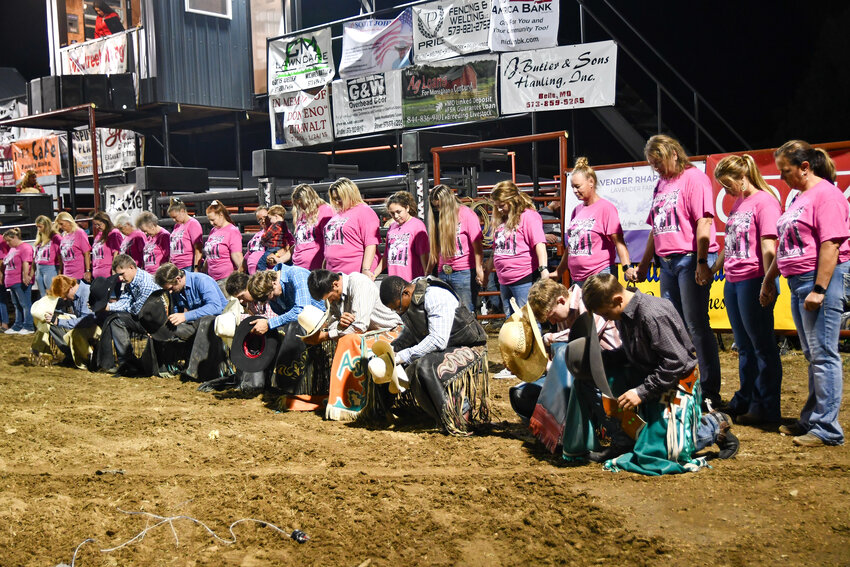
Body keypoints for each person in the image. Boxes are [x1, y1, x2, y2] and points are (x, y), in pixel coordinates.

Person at [582, 274, 738, 475]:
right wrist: (602, 359)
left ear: (618, 300)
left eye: (605, 313)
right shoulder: (623, 314)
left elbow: (676, 362)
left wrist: (641, 392)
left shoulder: (652, 314)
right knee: (607, 375)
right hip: (652, 379)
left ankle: (714, 426)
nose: (605, 318)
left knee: (663, 452)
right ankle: (624, 442)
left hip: (678, 382)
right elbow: (633, 352)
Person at [762, 140, 850, 447]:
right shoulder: (798, 197)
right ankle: (812, 419)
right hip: (798, 280)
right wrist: (768, 280)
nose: (782, 177)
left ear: (804, 167)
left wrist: (820, 289)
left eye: (785, 171)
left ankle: (827, 429)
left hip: (818, 280)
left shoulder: (826, 195)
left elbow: (831, 244)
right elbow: (786, 247)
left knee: (824, 355)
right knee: (814, 355)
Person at [632, 135, 723, 409]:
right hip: (666, 262)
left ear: (673, 154)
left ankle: (709, 389)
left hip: (688, 257)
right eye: (652, 164)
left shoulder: (694, 179)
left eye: (658, 161)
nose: (656, 168)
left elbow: (704, 221)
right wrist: (646, 263)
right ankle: (684, 383)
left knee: (695, 324)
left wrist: (702, 260)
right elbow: (656, 228)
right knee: (672, 326)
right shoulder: (661, 184)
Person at [712, 154, 783, 426]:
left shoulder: (764, 201)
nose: (726, 191)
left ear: (743, 177)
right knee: (744, 346)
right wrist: (715, 267)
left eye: (728, 184)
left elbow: (768, 246)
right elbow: (729, 244)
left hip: (753, 278)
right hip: (733, 279)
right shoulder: (739, 202)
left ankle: (766, 407)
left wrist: (767, 280)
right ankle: (746, 398)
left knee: (762, 345)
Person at [377, 275, 489, 435]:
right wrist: (392, 350)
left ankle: (456, 413)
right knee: (412, 365)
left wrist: (402, 355)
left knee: (424, 365)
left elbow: (438, 340)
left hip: (469, 347)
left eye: (398, 307)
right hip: (446, 348)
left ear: (406, 293)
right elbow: (412, 334)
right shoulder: (411, 302)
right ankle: (437, 414)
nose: (398, 312)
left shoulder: (434, 296)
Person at [306, 269, 402, 420]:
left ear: (335, 284)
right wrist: (339, 324)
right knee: (349, 339)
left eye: (330, 298)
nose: (330, 302)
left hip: (392, 332)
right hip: (369, 333)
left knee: (349, 340)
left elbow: (359, 326)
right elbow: (332, 323)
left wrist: (326, 336)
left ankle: (353, 402)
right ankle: (348, 400)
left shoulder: (360, 283)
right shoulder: (333, 293)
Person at [244, 266, 329, 407]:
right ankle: (269, 383)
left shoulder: (297, 275)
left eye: (270, 296)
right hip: (299, 324)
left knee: (292, 326)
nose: (270, 300)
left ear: (274, 283)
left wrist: (270, 323)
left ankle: (289, 386)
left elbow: (302, 310)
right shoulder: (274, 289)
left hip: (320, 320)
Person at [553, 158, 635, 286]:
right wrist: (559, 271)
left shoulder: (606, 208)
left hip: (600, 275)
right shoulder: (577, 210)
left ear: (591, 182)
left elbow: (619, 242)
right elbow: (571, 247)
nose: (575, 191)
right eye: (572, 187)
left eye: (578, 186)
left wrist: (626, 267)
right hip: (578, 278)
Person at [154, 263, 228, 380]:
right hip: (195, 324)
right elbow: (177, 311)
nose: (171, 293)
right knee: (163, 328)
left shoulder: (202, 280)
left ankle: (195, 371)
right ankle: (164, 367)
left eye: (171, 289)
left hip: (217, 324)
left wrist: (185, 316)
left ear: (178, 279)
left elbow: (215, 307)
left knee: (206, 321)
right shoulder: (176, 289)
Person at [488, 180, 548, 317]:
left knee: (528, 317)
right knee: (512, 319)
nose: (498, 209)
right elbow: (496, 248)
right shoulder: (503, 219)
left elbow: (539, 243)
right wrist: (487, 270)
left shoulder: (528, 216)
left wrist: (543, 269)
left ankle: (532, 339)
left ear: (512, 201)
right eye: (496, 206)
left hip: (523, 275)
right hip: (504, 277)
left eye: (501, 205)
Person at [95, 254, 160, 375]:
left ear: (131, 267)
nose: (120, 279)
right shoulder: (130, 280)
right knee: (114, 319)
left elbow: (136, 310)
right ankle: (126, 363)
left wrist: (115, 308)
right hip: (142, 317)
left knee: (116, 319)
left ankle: (128, 362)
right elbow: (125, 301)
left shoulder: (145, 283)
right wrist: (108, 307)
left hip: (153, 321)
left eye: (122, 274)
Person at [427, 184, 484, 314]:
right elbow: (435, 250)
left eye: (440, 206)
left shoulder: (466, 214)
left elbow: (477, 244)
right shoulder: (437, 219)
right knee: (446, 312)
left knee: (465, 312)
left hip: (464, 271)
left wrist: (479, 269)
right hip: (443, 271)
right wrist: (428, 272)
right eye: (435, 207)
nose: (438, 209)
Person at [32, 274, 98, 369]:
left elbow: (85, 321)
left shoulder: (87, 292)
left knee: (75, 331)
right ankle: (71, 355)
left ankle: (88, 359)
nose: (65, 298)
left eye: (65, 295)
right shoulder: (73, 294)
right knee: (51, 322)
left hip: (94, 326)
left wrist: (59, 321)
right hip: (85, 324)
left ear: (71, 287)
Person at [324, 178, 381, 277]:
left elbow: (371, 243)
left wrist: (366, 269)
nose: (337, 201)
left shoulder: (364, 211)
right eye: (334, 198)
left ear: (349, 194)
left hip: (354, 272)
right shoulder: (338, 214)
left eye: (339, 198)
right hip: (333, 272)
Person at [375, 191, 429, 280]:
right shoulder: (392, 227)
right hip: (394, 280)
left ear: (407, 208)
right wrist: (374, 274)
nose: (396, 216)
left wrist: (426, 277)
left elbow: (423, 254)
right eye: (392, 213)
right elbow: (386, 256)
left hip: (412, 280)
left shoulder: (417, 225)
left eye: (398, 212)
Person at [291, 183, 334, 270]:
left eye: (302, 203)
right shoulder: (302, 214)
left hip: (315, 266)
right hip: (297, 265)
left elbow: (330, 240)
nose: (301, 207)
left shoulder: (325, 210)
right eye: (298, 205)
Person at [203, 200, 243, 289]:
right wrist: (204, 269)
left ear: (221, 215)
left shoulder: (232, 231)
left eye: (213, 220)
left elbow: (236, 254)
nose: (211, 223)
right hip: (212, 278)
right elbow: (209, 253)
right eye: (209, 220)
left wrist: (241, 274)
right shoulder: (213, 230)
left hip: (226, 278)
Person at [2, 228, 35, 335]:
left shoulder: (25, 248)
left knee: (25, 304)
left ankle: (28, 325)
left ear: (15, 237)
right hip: (12, 281)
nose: (7, 243)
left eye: (9, 240)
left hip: (19, 280)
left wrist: (26, 275)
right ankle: (18, 325)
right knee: (17, 304)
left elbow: (27, 263)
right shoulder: (13, 249)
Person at [167, 199, 203, 273]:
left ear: (182, 211)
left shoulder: (193, 224)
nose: (174, 220)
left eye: (175, 217)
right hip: (176, 266)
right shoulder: (177, 225)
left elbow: (198, 248)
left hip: (187, 265)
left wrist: (196, 267)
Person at [55, 212, 92, 283]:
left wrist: (88, 270)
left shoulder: (79, 233)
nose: (60, 227)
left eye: (61, 224)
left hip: (78, 274)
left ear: (68, 221)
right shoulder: (63, 235)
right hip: (67, 274)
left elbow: (86, 253)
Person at [33, 215, 63, 298]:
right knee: (43, 294)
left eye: (40, 227)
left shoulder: (55, 237)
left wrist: (60, 269)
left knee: (53, 292)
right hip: (39, 268)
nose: (39, 229)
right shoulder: (40, 238)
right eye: (37, 227)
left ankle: (57, 309)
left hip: (50, 267)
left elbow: (60, 253)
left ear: (46, 226)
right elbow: (35, 256)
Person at [258, 204, 294, 270]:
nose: (270, 221)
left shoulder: (275, 225)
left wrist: (262, 240)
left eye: (270, 218)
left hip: (273, 247)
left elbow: (267, 235)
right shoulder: (284, 226)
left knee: (261, 262)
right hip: (280, 247)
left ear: (276, 216)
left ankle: (262, 275)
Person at [91, 212, 124, 279]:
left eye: (99, 224)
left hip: (108, 275)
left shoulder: (114, 233)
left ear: (105, 222)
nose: (97, 227)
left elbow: (116, 252)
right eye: (95, 225)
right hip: (97, 274)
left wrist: (114, 269)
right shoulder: (99, 235)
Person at [244, 207, 268, 275]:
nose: (263, 221)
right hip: (253, 277)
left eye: (265, 217)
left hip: (266, 274)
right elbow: (248, 255)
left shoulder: (278, 232)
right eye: (260, 219)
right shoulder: (256, 235)